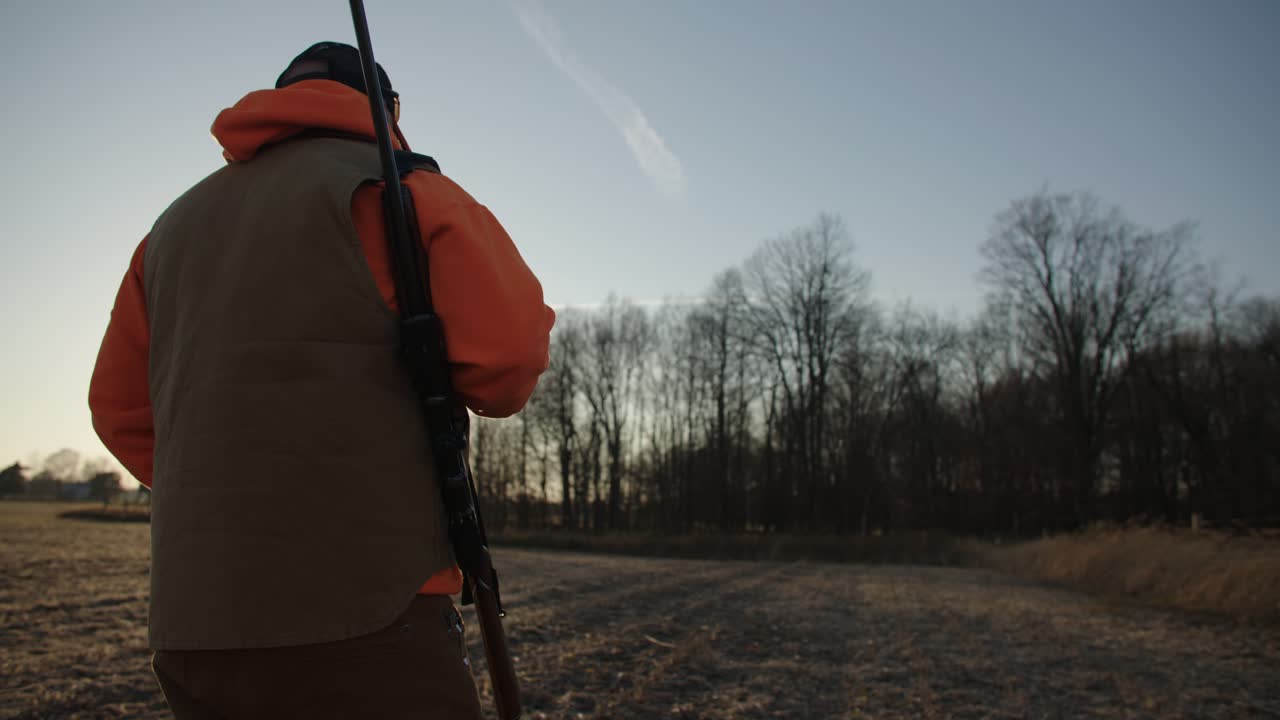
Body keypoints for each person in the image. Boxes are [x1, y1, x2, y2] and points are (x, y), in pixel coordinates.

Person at [88, 42, 555, 719]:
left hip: (195, 627)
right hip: (369, 616)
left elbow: (121, 412)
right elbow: (506, 369)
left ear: (278, 103)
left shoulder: (166, 232)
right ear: (389, 109)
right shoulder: (406, 192)